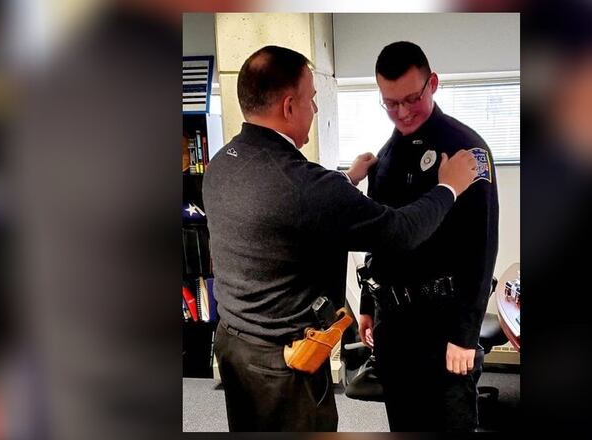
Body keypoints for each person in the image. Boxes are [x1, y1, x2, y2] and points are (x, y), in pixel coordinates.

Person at [202, 45, 479, 432]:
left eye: (411, 99)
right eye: (312, 99)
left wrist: (346, 179)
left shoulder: (222, 163)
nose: (315, 108)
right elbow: (397, 233)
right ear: (289, 107)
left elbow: (479, 246)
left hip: (235, 345)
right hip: (284, 364)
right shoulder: (308, 186)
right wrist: (448, 187)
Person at [356, 41, 500, 432]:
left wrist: (465, 335)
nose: (402, 112)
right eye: (390, 103)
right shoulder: (386, 156)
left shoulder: (467, 149)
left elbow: (482, 247)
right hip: (394, 325)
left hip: (444, 321)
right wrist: (369, 303)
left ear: (432, 84)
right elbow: (380, 237)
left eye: (411, 99)